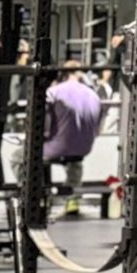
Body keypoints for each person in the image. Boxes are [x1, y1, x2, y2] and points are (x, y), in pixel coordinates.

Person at [44, 61, 102, 217]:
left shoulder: (53, 92)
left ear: (62, 75)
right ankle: (72, 200)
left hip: (58, 146)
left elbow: (43, 123)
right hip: (85, 147)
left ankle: (35, 196)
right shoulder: (94, 95)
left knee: (20, 156)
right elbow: (98, 128)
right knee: (74, 163)